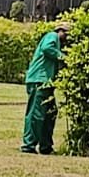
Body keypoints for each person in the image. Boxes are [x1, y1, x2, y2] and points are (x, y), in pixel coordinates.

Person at [21, 22, 69, 154]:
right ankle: (28, 145)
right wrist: (65, 58)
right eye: (66, 34)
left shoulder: (57, 43)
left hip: (45, 82)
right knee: (36, 113)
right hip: (39, 80)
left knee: (50, 113)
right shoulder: (52, 36)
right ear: (60, 31)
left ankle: (45, 146)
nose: (67, 37)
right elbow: (47, 48)